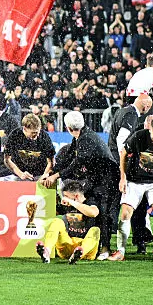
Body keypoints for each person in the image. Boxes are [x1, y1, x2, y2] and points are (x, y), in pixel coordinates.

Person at [41, 111, 118, 260]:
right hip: (98, 179)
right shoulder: (81, 137)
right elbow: (69, 157)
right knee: (94, 210)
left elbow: (76, 164)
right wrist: (51, 172)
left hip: (108, 181)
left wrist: (56, 175)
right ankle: (91, 243)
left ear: (68, 128)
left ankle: (105, 248)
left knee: (104, 213)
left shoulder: (86, 139)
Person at [113, 116, 153, 262]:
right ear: (149, 130)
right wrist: (122, 178)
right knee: (125, 213)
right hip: (134, 180)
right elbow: (123, 153)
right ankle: (120, 251)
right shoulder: (139, 136)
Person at [36, 179, 101, 265]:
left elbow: (93, 213)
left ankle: (78, 253)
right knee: (57, 221)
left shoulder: (91, 201)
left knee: (95, 230)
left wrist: (71, 202)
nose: (64, 198)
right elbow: (49, 211)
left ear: (76, 196)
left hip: (87, 251)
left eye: (66, 196)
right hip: (67, 246)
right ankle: (46, 252)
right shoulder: (66, 205)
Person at [4, 113, 55, 182]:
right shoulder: (15, 135)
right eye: (33, 133)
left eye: (38, 132)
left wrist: (44, 176)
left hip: (40, 174)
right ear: (25, 128)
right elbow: (7, 159)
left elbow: (51, 162)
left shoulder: (44, 137)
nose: (36, 136)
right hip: (19, 175)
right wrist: (20, 174)